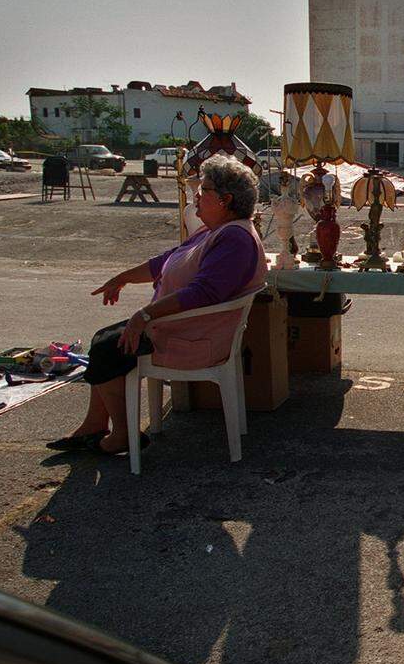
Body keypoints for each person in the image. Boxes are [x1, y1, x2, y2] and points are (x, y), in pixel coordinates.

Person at [45, 155, 267, 455]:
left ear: (225, 199)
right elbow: (166, 261)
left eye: (203, 190)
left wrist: (145, 315)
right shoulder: (214, 230)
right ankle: (94, 425)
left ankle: (121, 434)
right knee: (104, 339)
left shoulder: (234, 239)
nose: (196, 196)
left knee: (108, 347)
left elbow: (204, 292)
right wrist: (122, 278)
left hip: (192, 338)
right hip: (177, 327)